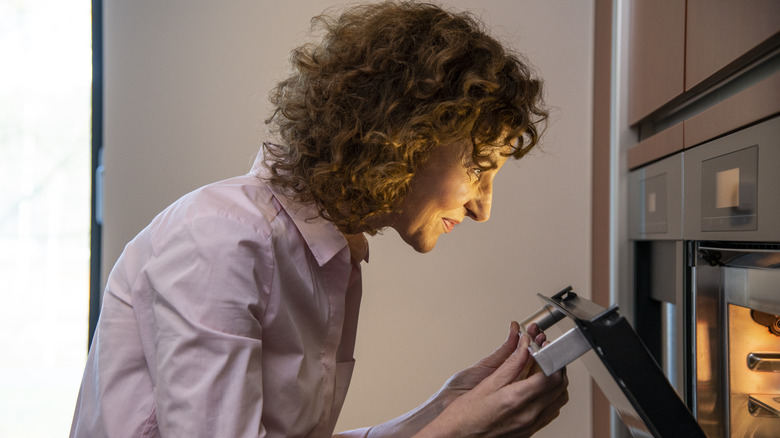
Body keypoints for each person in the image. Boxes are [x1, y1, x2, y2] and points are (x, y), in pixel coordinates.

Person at [70, 1, 569, 437]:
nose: (483, 208)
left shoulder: (331, 254)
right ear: (406, 134)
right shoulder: (223, 239)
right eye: (479, 169)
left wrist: (447, 408)